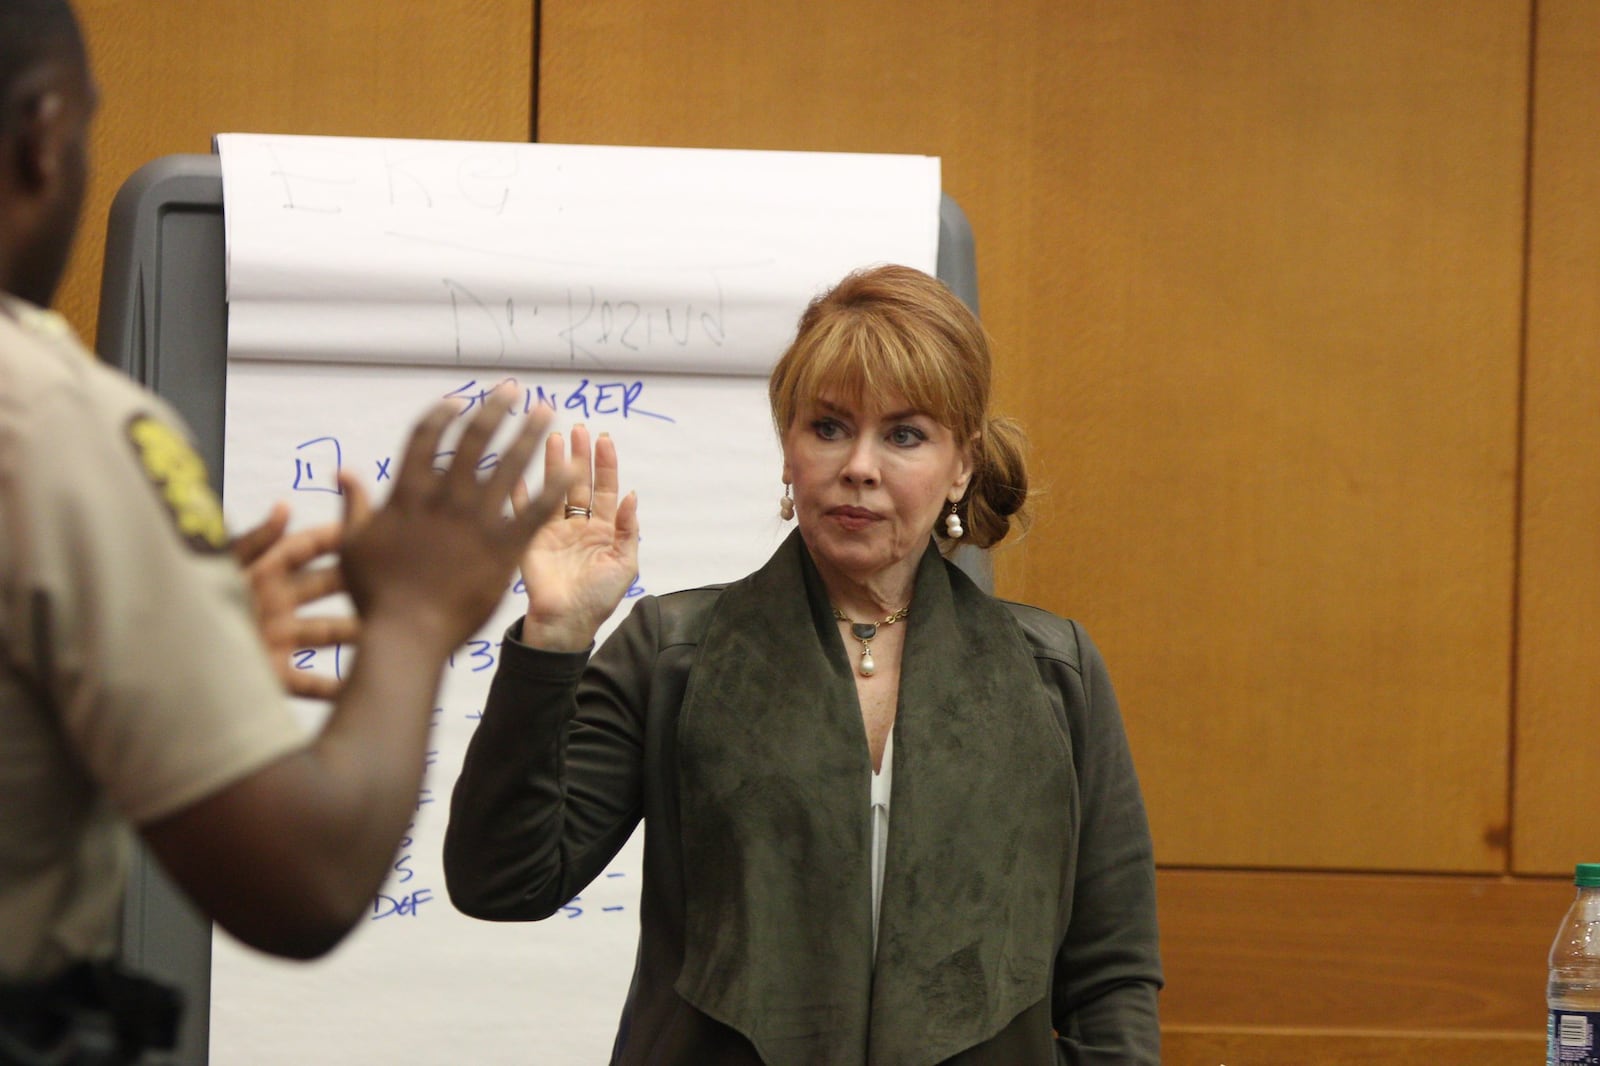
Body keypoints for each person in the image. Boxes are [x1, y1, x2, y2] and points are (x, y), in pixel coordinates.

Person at [0, 2, 572, 1061]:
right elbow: (304, 880)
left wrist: (168, 674)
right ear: (41, 134)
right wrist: (408, 615)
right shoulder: (46, 422)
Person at [444, 263, 1163, 1064]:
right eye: (828, 427)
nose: (859, 464)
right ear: (788, 451)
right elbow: (502, 883)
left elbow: (1112, 975)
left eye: (904, 434)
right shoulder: (673, 650)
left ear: (960, 464)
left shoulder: (1054, 671)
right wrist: (555, 636)